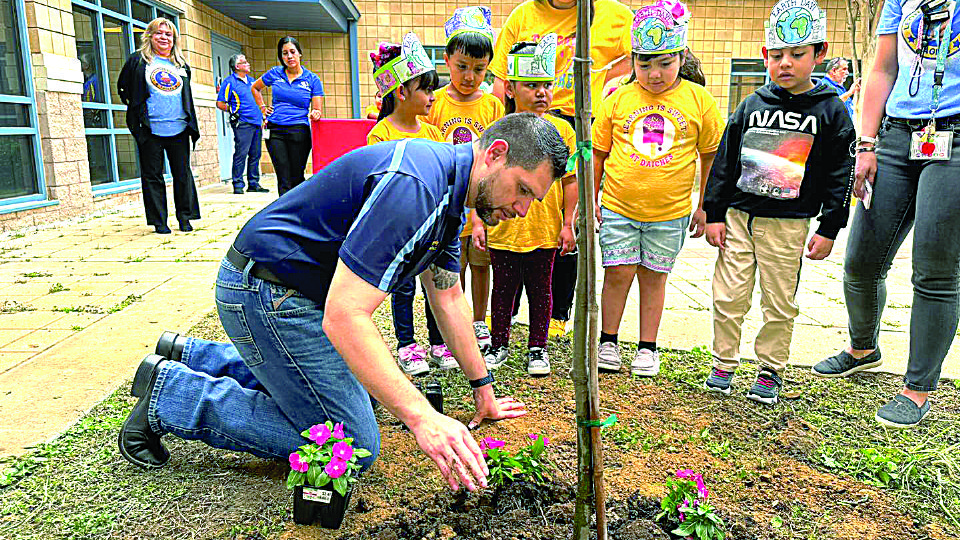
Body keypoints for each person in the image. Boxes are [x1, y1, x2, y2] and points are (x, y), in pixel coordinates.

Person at [117, 113, 569, 495]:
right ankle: (172, 396)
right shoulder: (416, 188)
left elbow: (447, 295)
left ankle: (189, 355)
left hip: (297, 293)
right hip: (268, 292)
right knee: (353, 442)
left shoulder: (452, 191)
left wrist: (482, 389)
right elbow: (345, 315)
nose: (524, 208)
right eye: (523, 190)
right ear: (495, 154)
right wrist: (423, 418)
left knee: (367, 398)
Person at [813, 0, 960, 427]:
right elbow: (882, 69)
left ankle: (917, 389)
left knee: (934, 268)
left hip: (955, 136)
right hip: (896, 135)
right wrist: (867, 143)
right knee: (861, 260)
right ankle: (863, 349)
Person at [703, 0, 855, 405]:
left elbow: (842, 171)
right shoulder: (751, 104)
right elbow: (724, 159)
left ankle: (770, 368)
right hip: (738, 219)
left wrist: (830, 226)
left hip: (788, 224)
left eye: (797, 55)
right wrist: (713, 212)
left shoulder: (832, 111)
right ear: (765, 56)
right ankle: (723, 362)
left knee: (779, 300)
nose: (785, 63)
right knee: (729, 294)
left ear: (819, 54)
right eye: (776, 55)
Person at [490, 0, 636, 340]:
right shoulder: (523, 15)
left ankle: (558, 313)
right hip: (520, 122)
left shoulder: (614, 15)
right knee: (518, 210)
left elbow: (640, 59)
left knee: (563, 223)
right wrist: (508, 120)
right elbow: (500, 78)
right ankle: (505, 315)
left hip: (578, 125)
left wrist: (605, 83)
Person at [593, 2, 723, 376]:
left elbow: (710, 157)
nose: (654, 74)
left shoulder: (699, 100)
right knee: (618, 273)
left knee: (655, 276)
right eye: (644, 63)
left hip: (671, 213)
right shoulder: (617, 98)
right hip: (618, 206)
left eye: (664, 63)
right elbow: (598, 154)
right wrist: (592, 200)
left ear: (681, 57)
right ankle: (608, 341)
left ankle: (648, 347)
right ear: (632, 60)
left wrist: (705, 206)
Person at [483, 35, 578, 377]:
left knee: (542, 290)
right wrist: (480, 221)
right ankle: (499, 342)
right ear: (510, 88)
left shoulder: (562, 131)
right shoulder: (498, 130)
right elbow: (482, 180)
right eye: (531, 85)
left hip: (544, 230)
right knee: (503, 289)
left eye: (546, 85)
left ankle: (538, 347)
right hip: (503, 230)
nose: (541, 93)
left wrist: (568, 223)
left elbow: (571, 182)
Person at [366, 33, 449, 375]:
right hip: (398, 228)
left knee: (433, 284)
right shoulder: (380, 134)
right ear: (401, 92)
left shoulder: (433, 133)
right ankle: (406, 345)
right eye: (426, 90)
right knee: (402, 286)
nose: (432, 97)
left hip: (430, 226)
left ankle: (438, 341)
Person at [425, 7, 504, 354]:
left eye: (479, 69)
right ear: (446, 59)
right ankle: (445, 330)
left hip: (479, 203)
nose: (470, 76)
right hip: (444, 203)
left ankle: (479, 322)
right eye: (462, 67)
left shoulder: (492, 107)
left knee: (482, 263)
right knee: (446, 268)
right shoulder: (434, 103)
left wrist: (482, 214)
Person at [117, 17, 201, 234]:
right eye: (159, 33)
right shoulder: (139, 61)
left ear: (174, 40)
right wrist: (139, 114)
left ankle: (185, 217)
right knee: (152, 176)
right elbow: (124, 87)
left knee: (182, 174)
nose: (164, 38)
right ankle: (159, 222)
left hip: (179, 128)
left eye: (168, 34)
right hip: (150, 130)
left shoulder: (181, 65)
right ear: (150, 37)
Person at [251, 36, 324, 196]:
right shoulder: (275, 73)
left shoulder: (312, 79)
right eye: (285, 53)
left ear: (299, 54)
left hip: (299, 131)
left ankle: (298, 211)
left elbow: (317, 109)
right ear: (281, 56)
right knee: (283, 177)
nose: (289, 56)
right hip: (275, 130)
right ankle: (284, 216)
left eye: (292, 52)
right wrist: (263, 108)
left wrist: (315, 113)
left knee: (297, 176)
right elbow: (255, 88)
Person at [216, 54, 269, 195]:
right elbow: (220, 103)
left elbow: (258, 100)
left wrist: (263, 116)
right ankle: (238, 184)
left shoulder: (253, 82)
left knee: (255, 154)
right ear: (237, 66)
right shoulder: (229, 82)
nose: (248, 64)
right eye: (244, 62)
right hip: (243, 123)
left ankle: (254, 183)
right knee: (241, 153)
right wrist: (234, 110)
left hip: (257, 122)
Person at [821, 57, 860, 122]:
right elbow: (830, 105)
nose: (847, 73)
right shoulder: (824, 85)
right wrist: (850, 92)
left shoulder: (840, 88)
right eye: (844, 69)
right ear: (834, 71)